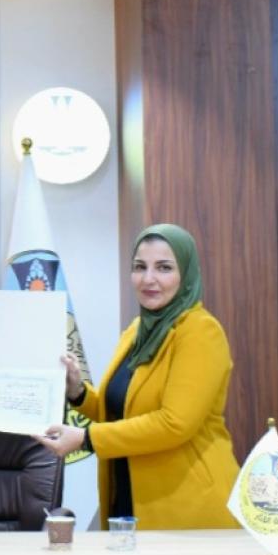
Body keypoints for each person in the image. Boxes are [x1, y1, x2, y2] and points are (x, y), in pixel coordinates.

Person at [35, 223, 240, 530]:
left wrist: (86, 438)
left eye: (164, 268)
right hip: (128, 494)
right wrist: (77, 391)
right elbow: (122, 411)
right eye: (140, 267)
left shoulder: (200, 331)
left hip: (186, 506)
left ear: (186, 274)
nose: (148, 279)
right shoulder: (138, 331)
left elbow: (174, 424)